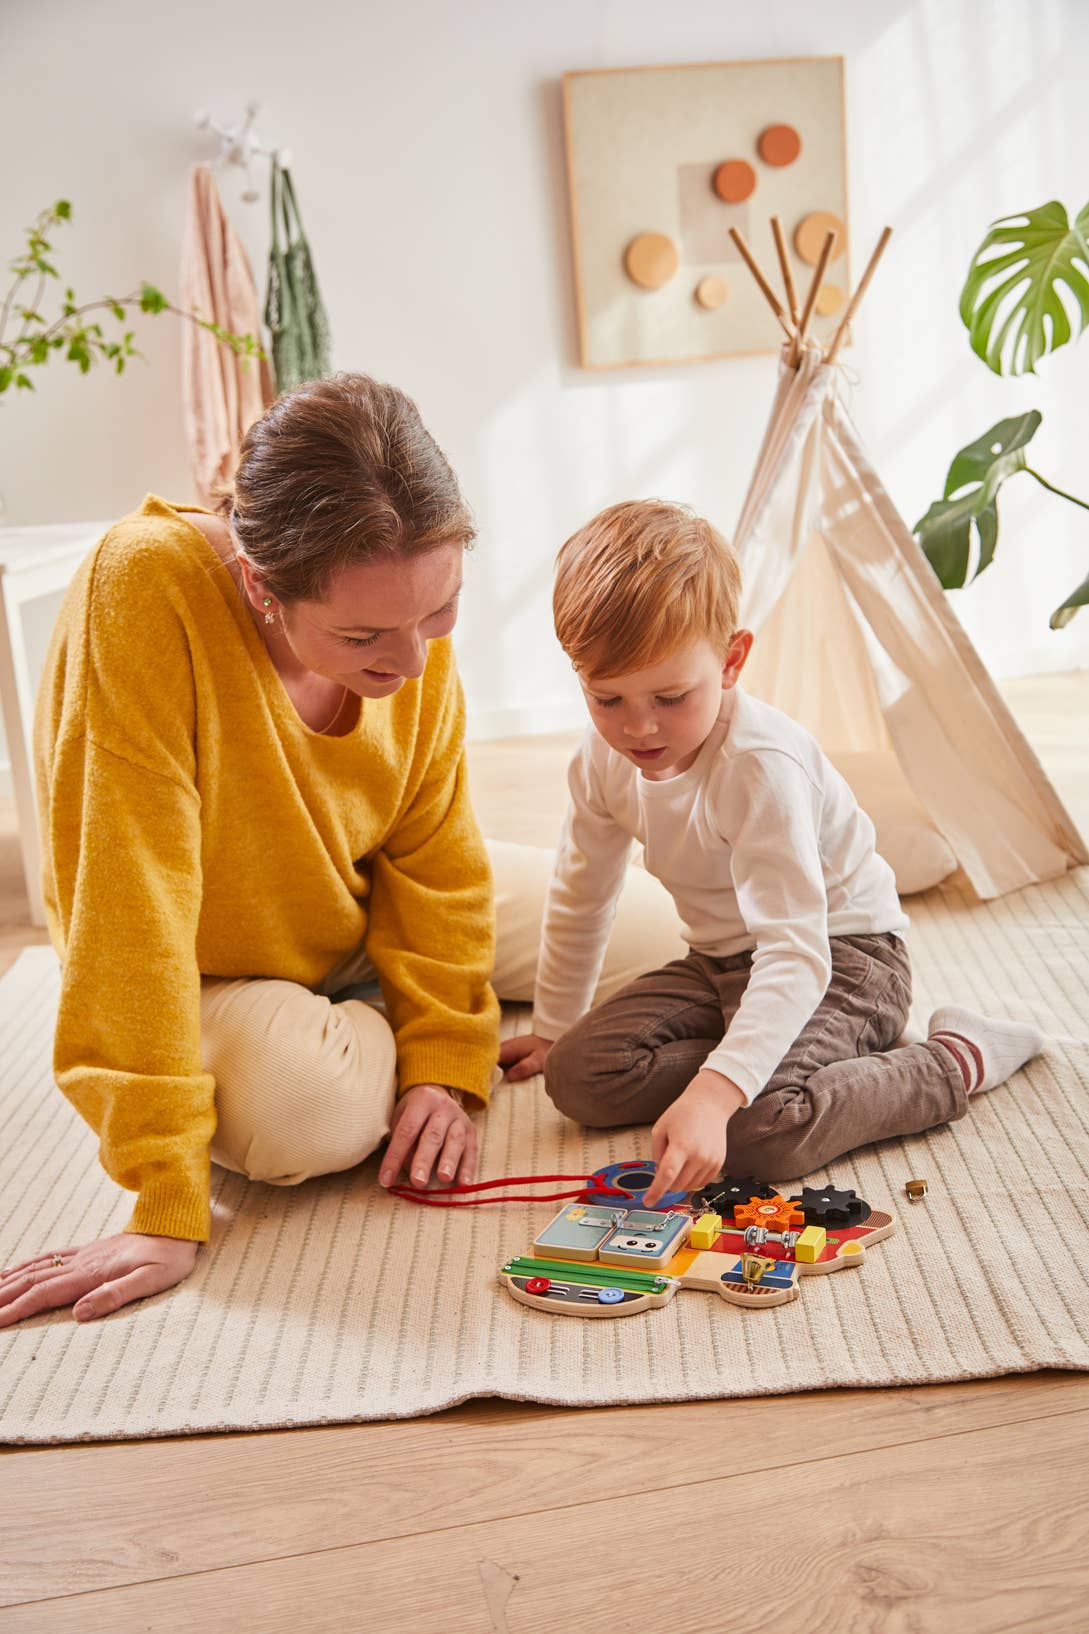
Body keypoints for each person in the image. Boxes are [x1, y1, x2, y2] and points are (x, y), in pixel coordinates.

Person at [0, 376, 682, 1332]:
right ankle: (343, 1034)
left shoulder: (401, 607)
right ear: (259, 587)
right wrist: (162, 1197)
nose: (410, 663)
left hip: (350, 911)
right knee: (307, 1116)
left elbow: (432, 846)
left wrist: (445, 1067)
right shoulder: (145, 588)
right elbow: (130, 896)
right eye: (363, 635)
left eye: (437, 614)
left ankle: (375, 1016)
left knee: (658, 930)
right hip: (209, 963)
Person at [500, 499, 1045, 1208]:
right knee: (577, 1075)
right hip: (721, 961)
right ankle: (783, 1052)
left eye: (669, 696)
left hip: (843, 956)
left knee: (757, 1132)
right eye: (606, 700)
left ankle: (953, 1059)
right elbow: (582, 889)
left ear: (730, 660)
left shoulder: (758, 765)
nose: (638, 726)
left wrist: (717, 1091)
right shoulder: (600, 763)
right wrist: (551, 1026)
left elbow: (794, 952)